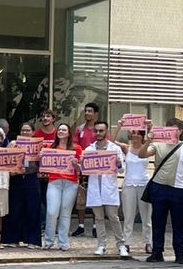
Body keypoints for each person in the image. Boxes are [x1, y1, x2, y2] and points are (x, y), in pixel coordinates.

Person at [136, 118, 183, 264]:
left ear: (181, 131)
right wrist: (147, 141)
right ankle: (157, 252)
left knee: (179, 223)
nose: (170, 130)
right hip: (159, 187)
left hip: (179, 188)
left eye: (174, 128)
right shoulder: (158, 145)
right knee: (158, 222)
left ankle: (179, 253)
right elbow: (141, 154)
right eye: (168, 127)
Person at [82, 121, 124, 257]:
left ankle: (121, 245)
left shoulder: (115, 149)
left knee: (113, 217)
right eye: (97, 131)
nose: (98, 133)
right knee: (98, 218)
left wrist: (118, 163)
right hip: (95, 189)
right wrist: (80, 163)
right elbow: (84, 171)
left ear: (106, 132)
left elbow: (122, 169)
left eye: (101, 131)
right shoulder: (89, 150)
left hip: (109, 189)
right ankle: (101, 245)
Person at [40, 123, 81, 251]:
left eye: (64, 130)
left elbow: (81, 170)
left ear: (69, 133)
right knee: (51, 212)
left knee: (65, 213)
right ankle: (48, 241)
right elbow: (41, 161)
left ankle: (63, 242)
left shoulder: (76, 148)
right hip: (54, 182)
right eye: (60, 129)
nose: (61, 132)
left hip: (71, 183)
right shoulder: (49, 147)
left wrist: (76, 165)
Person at [2, 122, 42, 248]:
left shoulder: (38, 146)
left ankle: (32, 240)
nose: (25, 132)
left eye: (28, 130)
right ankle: (11, 239)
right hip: (16, 179)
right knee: (14, 209)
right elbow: (5, 160)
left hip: (32, 178)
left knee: (32, 209)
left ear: (33, 132)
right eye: (23, 130)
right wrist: (12, 171)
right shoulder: (14, 143)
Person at [119, 129, 152, 256]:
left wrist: (151, 126)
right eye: (133, 133)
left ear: (142, 135)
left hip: (144, 183)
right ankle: (126, 242)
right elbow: (111, 140)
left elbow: (155, 138)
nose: (135, 135)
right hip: (128, 184)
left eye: (138, 133)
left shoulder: (147, 148)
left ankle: (148, 242)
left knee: (147, 216)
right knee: (128, 216)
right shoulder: (126, 148)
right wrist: (120, 125)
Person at [71, 102, 100, 237]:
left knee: (95, 197)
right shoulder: (79, 129)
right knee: (81, 197)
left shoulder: (99, 129)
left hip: (96, 168)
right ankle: (81, 225)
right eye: (86, 111)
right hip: (82, 168)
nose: (87, 113)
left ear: (96, 114)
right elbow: (75, 145)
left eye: (90, 111)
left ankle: (96, 226)